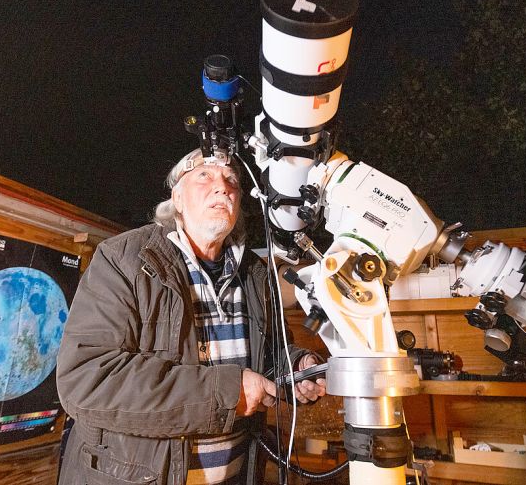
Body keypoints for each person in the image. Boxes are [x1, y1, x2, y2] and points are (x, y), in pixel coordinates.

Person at [57, 148, 326, 485]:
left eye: (231, 181)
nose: (223, 187)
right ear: (177, 198)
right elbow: (86, 380)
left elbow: (270, 356)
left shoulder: (256, 274)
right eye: (205, 175)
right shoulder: (122, 260)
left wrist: (296, 368)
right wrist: (225, 392)